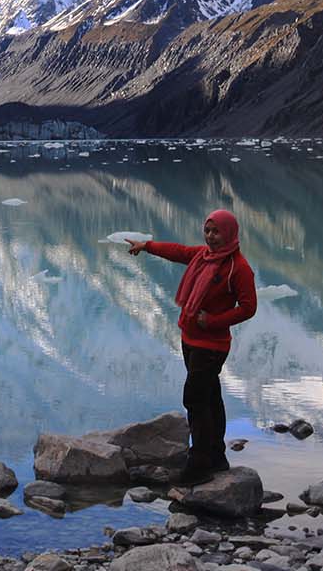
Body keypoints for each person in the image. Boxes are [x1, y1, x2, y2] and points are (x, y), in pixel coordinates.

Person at [127, 208, 257, 485]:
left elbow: (248, 308)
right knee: (210, 398)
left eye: (216, 231)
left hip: (212, 345)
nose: (210, 236)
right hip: (190, 339)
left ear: (230, 234)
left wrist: (213, 320)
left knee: (195, 400)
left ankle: (199, 465)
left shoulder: (239, 268)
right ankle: (217, 457)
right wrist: (147, 246)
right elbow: (178, 251)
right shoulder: (202, 256)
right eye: (208, 230)